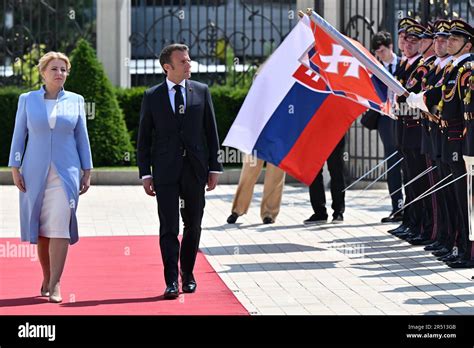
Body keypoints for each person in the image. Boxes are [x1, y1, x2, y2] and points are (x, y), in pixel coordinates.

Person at [137, 43, 223, 299]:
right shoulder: (152, 96)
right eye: (183, 61)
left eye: (188, 60)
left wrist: (215, 167)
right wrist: (146, 173)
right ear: (168, 67)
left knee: (193, 224)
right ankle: (171, 280)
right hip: (165, 172)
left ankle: (188, 273)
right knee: (169, 226)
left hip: (195, 170)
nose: (189, 65)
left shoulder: (201, 91)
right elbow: (143, 138)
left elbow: (211, 132)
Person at [8, 51, 93, 303]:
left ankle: (56, 283)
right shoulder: (27, 100)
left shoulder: (76, 100)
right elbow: (18, 134)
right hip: (34, 173)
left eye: (63, 70)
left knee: (59, 226)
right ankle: (46, 276)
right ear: (43, 72)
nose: (59, 74)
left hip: (66, 173)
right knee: (42, 229)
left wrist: (87, 170)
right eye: (54, 69)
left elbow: (82, 137)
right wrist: (15, 167)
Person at [408, 19, 474, 268]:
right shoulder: (455, 70)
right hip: (450, 140)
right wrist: (423, 99)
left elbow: (450, 105)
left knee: (463, 201)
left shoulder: (465, 69)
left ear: (468, 44)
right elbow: (444, 99)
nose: (448, 43)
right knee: (453, 198)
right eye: (448, 38)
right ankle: (457, 246)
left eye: (455, 39)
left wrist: (424, 101)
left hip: (460, 142)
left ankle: (465, 250)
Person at [370, 31, 404, 223]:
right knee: (392, 163)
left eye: (382, 51)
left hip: (404, 118)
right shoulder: (375, 69)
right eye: (377, 52)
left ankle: (413, 209)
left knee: (409, 162)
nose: (379, 55)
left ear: (390, 47)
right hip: (386, 119)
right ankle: (397, 207)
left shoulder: (403, 64)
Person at [226, 154, 285, 224]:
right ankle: (237, 210)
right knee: (248, 170)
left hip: (279, 143)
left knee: (275, 175)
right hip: (257, 143)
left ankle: (269, 214)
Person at [304, 136, 346, 225]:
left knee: (336, 172)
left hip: (335, 132)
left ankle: (338, 212)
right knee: (314, 173)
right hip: (314, 134)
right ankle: (319, 213)